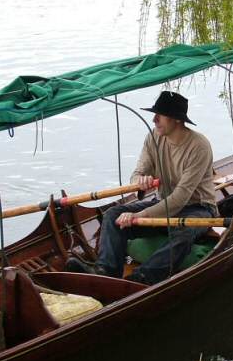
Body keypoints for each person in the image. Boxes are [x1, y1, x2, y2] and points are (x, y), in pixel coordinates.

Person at [66, 90, 217, 284]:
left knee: (184, 231)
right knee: (113, 215)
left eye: (159, 115)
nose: (154, 119)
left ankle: (142, 278)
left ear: (176, 120)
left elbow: (181, 198)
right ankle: (106, 271)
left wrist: (140, 216)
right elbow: (136, 174)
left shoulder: (199, 146)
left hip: (198, 208)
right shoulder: (154, 137)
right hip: (162, 202)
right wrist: (141, 181)